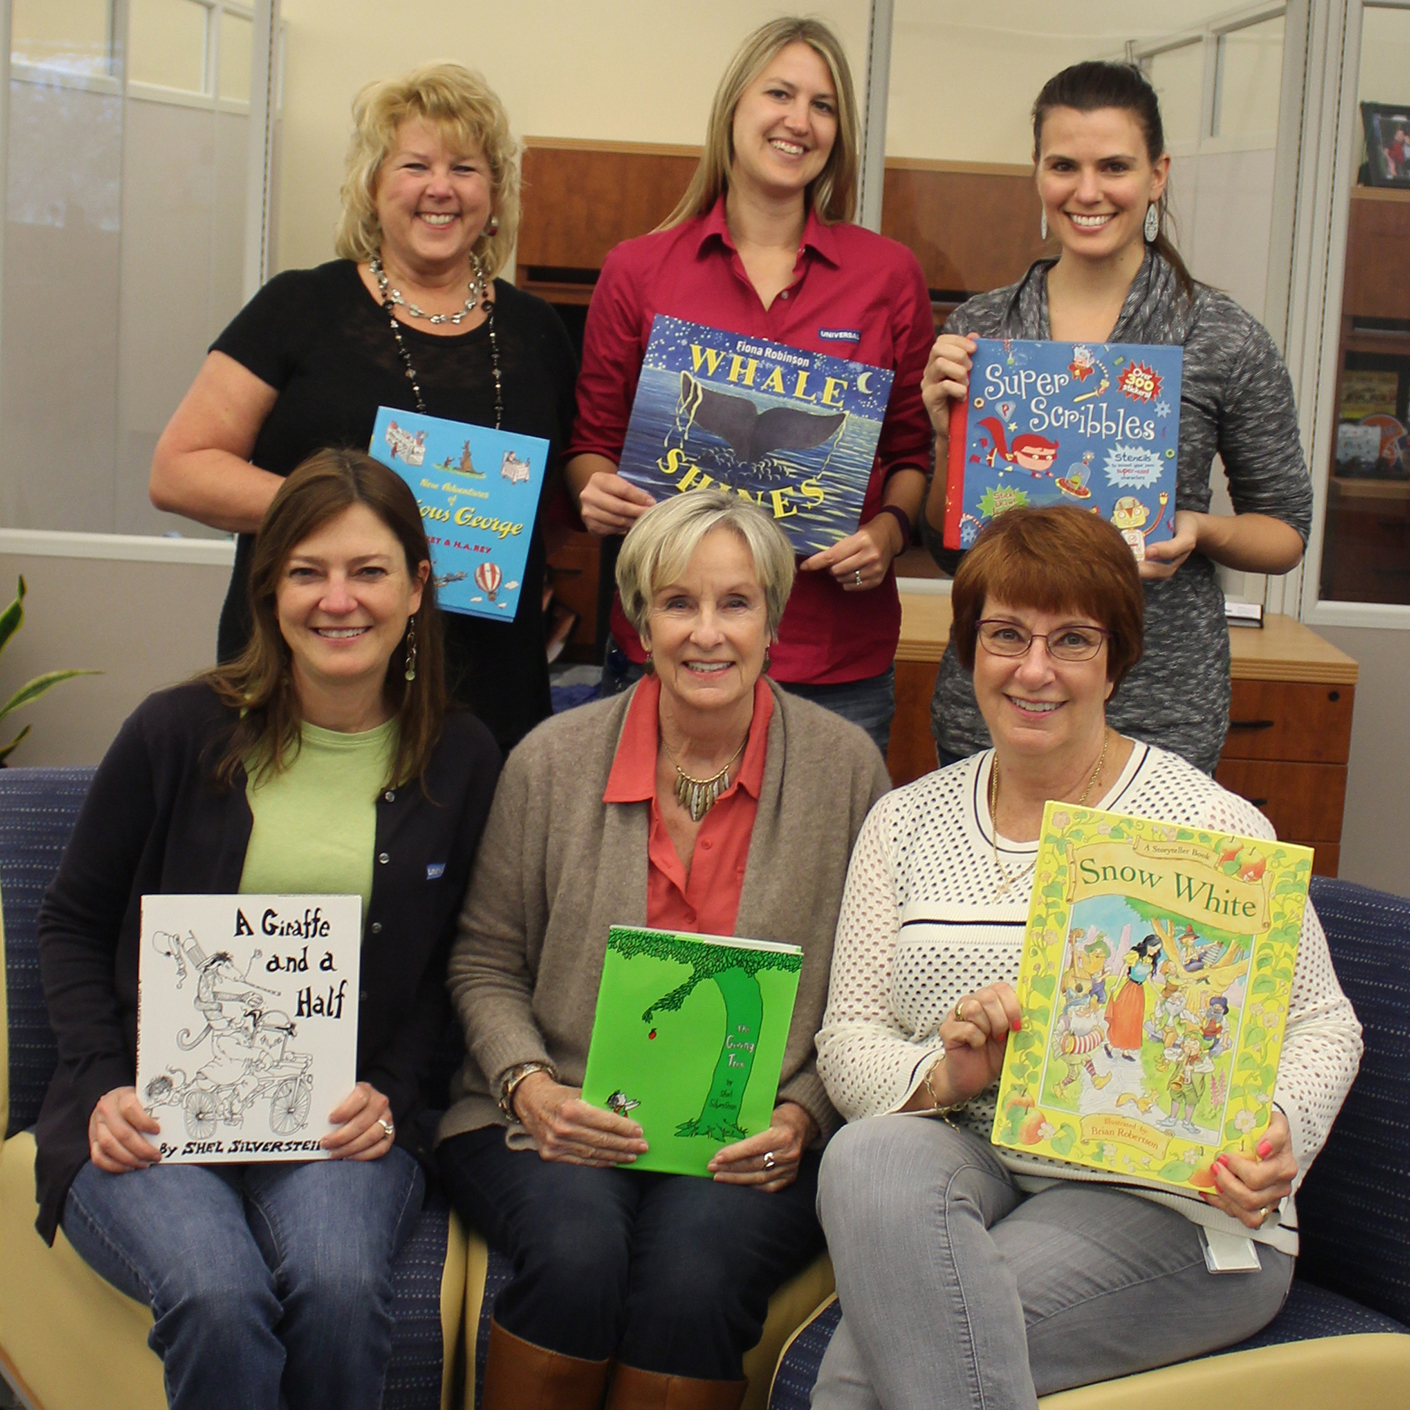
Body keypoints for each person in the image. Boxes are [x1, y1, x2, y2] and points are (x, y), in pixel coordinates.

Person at [810, 506, 1362, 1410]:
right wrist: (945, 1074)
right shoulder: (905, 820)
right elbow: (850, 1038)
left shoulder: (1206, 823)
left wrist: (1281, 1141)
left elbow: (1321, 1022)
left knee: (869, 1370)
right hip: (972, 1155)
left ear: (1117, 656)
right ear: (968, 651)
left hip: (1167, 1200)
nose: (1034, 669)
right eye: (1005, 636)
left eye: (1071, 639)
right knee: (865, 1157)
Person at [35, 450, 502, 1410]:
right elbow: (71, 921)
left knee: (335, 1288)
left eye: (369, 571)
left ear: (418, 588)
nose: (340, 600)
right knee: (217, 1294)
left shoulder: (461, 757)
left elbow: (457, 963)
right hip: (150, 1112)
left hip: (337, 1123)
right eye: (307, 572)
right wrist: (100, 1085)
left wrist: (394, 1095)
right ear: (269, 590)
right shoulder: (174, 731)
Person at [436, 493, 891, 1410]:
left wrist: (803, 1114)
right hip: (550, 1111)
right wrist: (531, 1084)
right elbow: (483, 961)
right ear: (640, 622)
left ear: (775, 617)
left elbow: (868, 992)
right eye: (678, 603)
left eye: (736, 602)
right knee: (577, 1254)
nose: (707, 633)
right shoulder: (551, 760)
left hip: (752, 1130)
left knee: (695, 1273)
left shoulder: (846, 770)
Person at [150, 63, 576, 753]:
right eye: (415, 165)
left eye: (465, 168)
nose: (440, 188)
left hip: (487, 686)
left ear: (493, 195)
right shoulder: (298, 307)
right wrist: (349, 518)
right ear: (374, 187)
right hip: (316, 672)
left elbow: (554, 507)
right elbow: (179, 470)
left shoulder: (539, 331)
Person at [921, 61, 1313, 775]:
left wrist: (1202, 529)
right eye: (1064, 165)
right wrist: (951, 438)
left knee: (1125, 893)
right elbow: (953, 550)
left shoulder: (1221, 334)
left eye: (1115, 166)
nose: (1088, 191)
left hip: (1159, 701)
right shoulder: (984, 329)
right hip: (1002, 701)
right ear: (1037, 173)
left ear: (1158, 174)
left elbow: (1285, 532)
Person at [566, 16, 934, 757]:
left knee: (823, 874)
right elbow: (591, 445)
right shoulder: (639, 269)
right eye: (780, 94)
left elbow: (910, 453)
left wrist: (888, 536)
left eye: (823, 106)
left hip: (833, 658)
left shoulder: (887, 274)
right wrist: (596, 489)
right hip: (671, 648)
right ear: (734, 107)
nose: (799, 121)